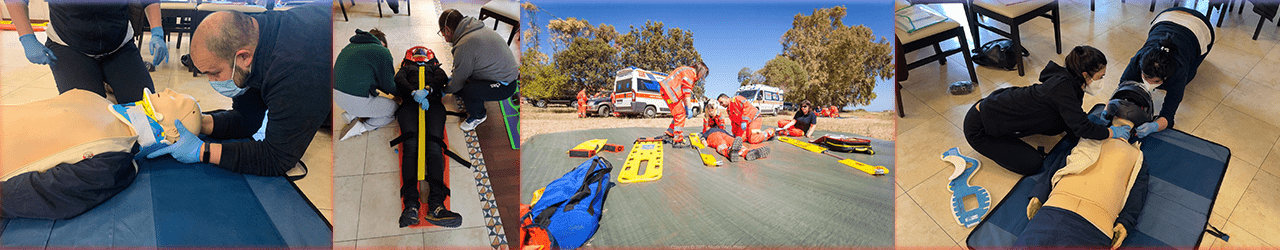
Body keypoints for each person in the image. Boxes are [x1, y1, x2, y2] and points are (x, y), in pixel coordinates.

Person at [146, 4, 332, 177]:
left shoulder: (294, 68)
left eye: (215, 73)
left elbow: (277, 158)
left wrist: (202, 151)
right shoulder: (250, 38)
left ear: (243, 57)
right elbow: (246, 121)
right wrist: (198, 123)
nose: (212, 82)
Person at [1, 88, 200, 219]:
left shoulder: (114, 160)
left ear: (174, 130)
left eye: (178, 99)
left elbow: (42, 192)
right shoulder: (102, 102)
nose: (168, 90)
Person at [964, 45, 1130, 176]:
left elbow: (1074, 123)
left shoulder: (1070, 81)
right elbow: (1082, 127)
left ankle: (1011, 130)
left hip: (996, 107)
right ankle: (1003, 136)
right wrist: (1110, 133)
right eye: (1100, 77)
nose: (1101, 80)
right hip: (979, 128)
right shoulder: (1062, 89)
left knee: (1061, 125)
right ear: (1086, 75)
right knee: (1033, 164)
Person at [1014, 93, 1152, 248]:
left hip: (1093, 225)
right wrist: (1039, 193)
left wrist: (1125, 223)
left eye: (1126, 126)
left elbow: (1138, 191)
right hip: (1056, 211)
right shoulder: (1088, 137)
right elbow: (1060, 164)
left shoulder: (1138, 156)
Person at [6, 0, 168, 104]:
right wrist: (27, 37)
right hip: (69, 45)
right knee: (87, 114)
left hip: (119, 43)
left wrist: (157, 30)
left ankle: (108, 80)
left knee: (144, 106)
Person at [1119, 7, 1216, 139]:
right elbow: (1121, 89)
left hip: (1200, 27)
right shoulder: (1139, 59)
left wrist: (1155, 126)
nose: (1149, 84)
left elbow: (1168, 116)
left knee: (1190, 75)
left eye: (1156, 82)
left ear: (1166, 77)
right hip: (1166, 17)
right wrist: (1109, 109)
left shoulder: (1179, 72)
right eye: (1146, 77)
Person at [393, 47, 463, 228]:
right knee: (410, 147)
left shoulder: (435, 69)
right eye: (417, 54)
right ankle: (410, 207)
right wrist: (412, 93)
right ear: (409, 58)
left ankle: (437, 206)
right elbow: (398, 80)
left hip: (431, 104)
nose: (420, 56)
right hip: (409, 105)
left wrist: (427, 90)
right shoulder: (406, 69)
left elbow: (441, 79)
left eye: (422, 54)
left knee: (434, 147)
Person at [437, 9, 519, 131]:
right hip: (502, 73)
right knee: (461, 86)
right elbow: (461, 73)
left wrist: (444, 90)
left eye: (442, 34)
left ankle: (479, 116)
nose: (444, 38)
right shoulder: (473, 28)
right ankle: (476, 96)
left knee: (470, 92)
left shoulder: (464, 45)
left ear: (447, 30)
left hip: (505, 85)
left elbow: (459, 80)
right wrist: (453, 83)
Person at [334, 29, 397, 140]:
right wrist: (402, 94)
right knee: (394, 109)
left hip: (337, 97)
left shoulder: (350, 47)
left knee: (364, 92)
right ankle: (361, 127)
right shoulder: (382, 52)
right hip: (356, 101)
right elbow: (388, 85)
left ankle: (352, 114)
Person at [659, 62, 710, 147]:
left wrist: (686, 106)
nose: (702, 76)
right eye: (703, 73)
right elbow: (687, 93)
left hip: (667, 93)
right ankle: (677, 140)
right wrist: (689, 108)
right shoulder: (690, 73)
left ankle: (669, 133)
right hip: (670, 93)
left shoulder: (687, 71)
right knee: (680, 114)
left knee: (678, 114)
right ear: (700, 70)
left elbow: (683, 92)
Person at [701, 105, 769, 162]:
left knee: (734, 142)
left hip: (724, 133)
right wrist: (703, 139)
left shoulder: (719, 116)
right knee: (721, 143)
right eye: (709, 111)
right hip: (713, 135)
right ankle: (729, 152)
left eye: (712, 110)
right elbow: (703, 134)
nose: (711, 112)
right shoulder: (708, 130)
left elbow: (722, 124)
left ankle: (748, 152)